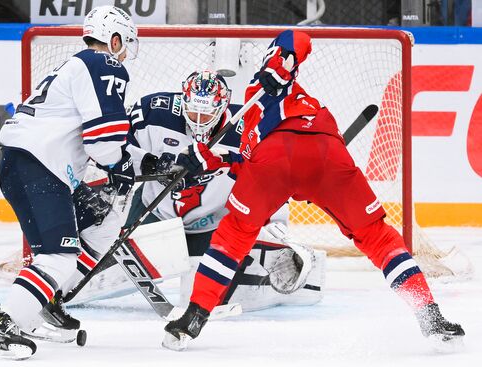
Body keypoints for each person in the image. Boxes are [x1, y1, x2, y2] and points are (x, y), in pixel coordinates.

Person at [163, 30, 465, 351]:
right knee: (377, 236)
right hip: (326, 154)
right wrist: (207, 159)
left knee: (235, 234)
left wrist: (274, 69)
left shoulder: (258, 88)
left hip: (275, 160)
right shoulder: (257, 116)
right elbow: (243, 161)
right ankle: (431, 316)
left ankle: (194, 317)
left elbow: (294, 39)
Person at [65, 70, 325, 312]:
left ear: (222, 108)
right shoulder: (153, 112)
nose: (199, 122)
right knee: (87, 284)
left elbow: (272, 178)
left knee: (201, 293)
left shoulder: (247, 129)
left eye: (206, 115)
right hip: (155, 211)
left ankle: (272, 263)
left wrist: (280, 220)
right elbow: (115, 151)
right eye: (193, 113)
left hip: (211, 224)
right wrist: (150, 164)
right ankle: (55, 289)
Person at [0, 6, 138, 360]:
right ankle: (1, 330)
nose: (125, 53)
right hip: (40, 166)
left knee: (102, 221)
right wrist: (121, 165)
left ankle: (44, 304)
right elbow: (104, 142)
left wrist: (119, 164)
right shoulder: (105, 64)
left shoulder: (73, 65)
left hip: (24, 162)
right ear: (114, 39)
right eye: (124, 44)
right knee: (59, 257)